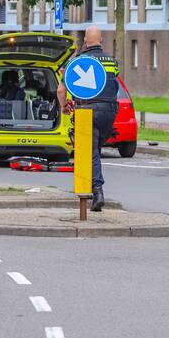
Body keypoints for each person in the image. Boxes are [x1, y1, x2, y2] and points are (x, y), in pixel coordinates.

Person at [56, 25, 120, 212]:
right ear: (101, 41)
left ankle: (97, 191)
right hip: (109, 112)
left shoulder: (77, 62)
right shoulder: (112, 63)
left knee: (90, 152)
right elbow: (113, 82)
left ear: (85, 40)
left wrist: (64, 106)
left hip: (87, 111)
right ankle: (94, 190)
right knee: (96, 151)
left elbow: (61, 90)